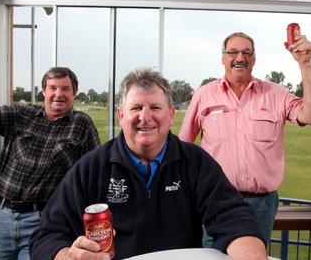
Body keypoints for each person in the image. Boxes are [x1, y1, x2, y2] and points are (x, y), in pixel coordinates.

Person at [29, 68, 267, 260]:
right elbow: (46, 236)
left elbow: (234, 219)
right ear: (121, 115)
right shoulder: (92, 167)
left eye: (155, 107)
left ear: (171, 114)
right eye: (136, 108)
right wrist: (65, 256)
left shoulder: (196, 162)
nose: (145, 117)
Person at [0, 52, 100, 260]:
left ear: (74, 93)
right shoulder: (23, 114)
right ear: (44, 91)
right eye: (53, 88)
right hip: (2, 218)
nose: (59, 94)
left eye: (65, 88)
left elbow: (94, 175)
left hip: (44, 221)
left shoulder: (81, 124)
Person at [179, 32, 311, 245]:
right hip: (214, 200)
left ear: (254, 60)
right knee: (211, 257)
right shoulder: (203, 95)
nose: (240, 57)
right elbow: (183, 148)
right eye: (233, 52)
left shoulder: (276, 94)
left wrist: (305, 64)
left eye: (247, 52)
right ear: (223, 58)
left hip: (261, 204)